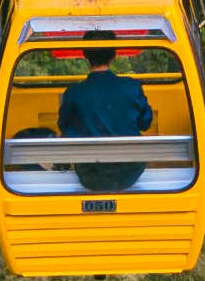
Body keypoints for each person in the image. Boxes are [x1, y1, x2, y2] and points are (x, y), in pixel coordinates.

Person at [58, 41, 154, 192]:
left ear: (85, 55)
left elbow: (63, 126)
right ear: (113, 55)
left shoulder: (73, 93)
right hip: (130, 172)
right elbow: (145, 123)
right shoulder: (132, 87)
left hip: (90, 175)